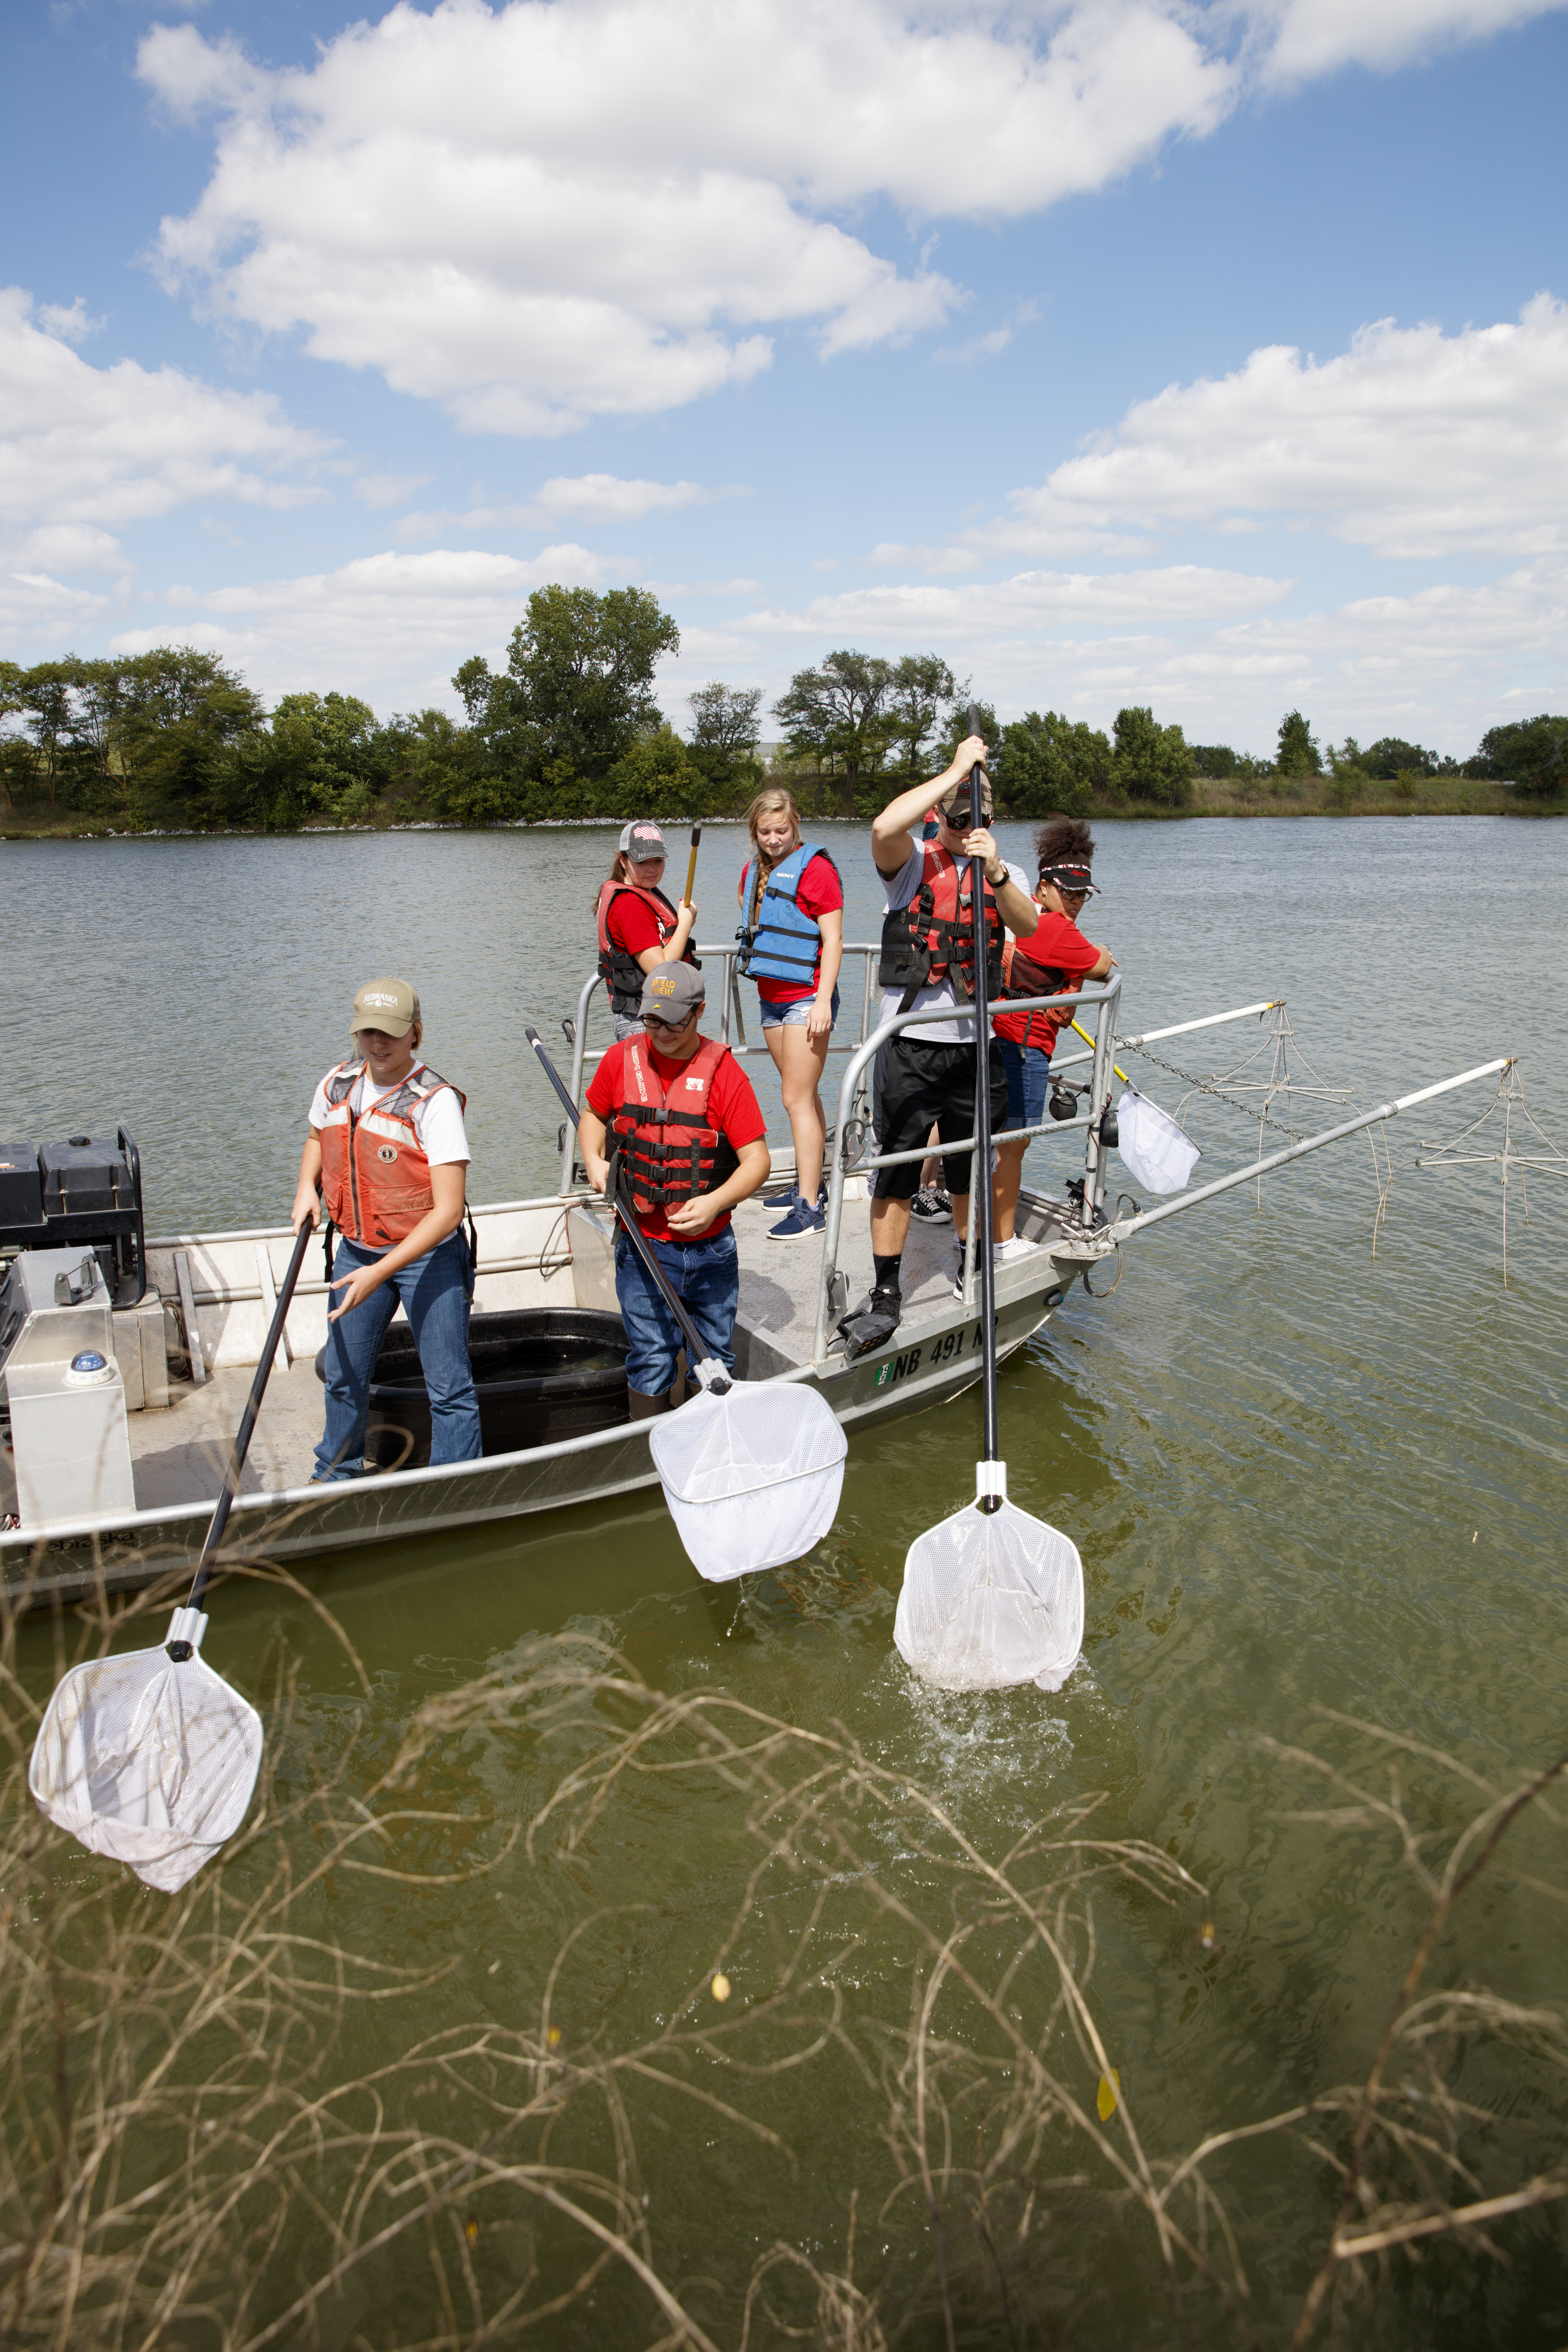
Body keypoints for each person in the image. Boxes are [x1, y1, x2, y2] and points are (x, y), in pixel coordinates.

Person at [850, 735, 1040, 1338]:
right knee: (899, 1171)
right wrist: (956, 771)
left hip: (974, 1049)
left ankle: (970, 1258)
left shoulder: (1004, 871)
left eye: (979, 817)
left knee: (967, 1163)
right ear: (939, 817)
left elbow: (1029, 926)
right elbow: (884, 825)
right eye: (958, 817)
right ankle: (886, 1288)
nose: (967, 826)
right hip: (911, 1044)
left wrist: (996, 869)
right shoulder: (911, 866)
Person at [292, 976, 481, 1482]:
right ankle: (335, 1473)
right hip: (356, 1250)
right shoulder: (336, 1083)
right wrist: (305, 1190)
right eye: (367, 1033)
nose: (377, 1044)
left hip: (429, 1259)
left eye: (391, 1034)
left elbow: (447, 1212)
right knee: (342, 1374)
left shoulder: (434, 1101)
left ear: (415, 1035)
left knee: (448, 1387)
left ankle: (455, 1486)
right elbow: (317, 1137)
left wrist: (380, 1275)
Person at [578, 960, 771, 1420]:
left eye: (673, 1021)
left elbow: (758, 1162)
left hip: (710, 1252)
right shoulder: (620, 1060)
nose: (661, 1032)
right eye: (652, 1019)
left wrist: (715, 1201)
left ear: (700, 1012)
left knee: (714, 1355)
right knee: (650, 1354)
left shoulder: (724, 1074)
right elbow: (591, 1115)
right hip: (641, 1245)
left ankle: (708, 1445)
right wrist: (594, 1160)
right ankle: (649, 1450)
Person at [993, 817, 1116, 1243]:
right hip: (1024, 1047)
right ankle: (1001, 1242)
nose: (1076, 901)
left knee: (993, 1139)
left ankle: (975, 1225)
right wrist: (1099, 951)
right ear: (1044, 887)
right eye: (1068, 892)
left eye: (1083, 894)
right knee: (1015, 1145)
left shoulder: (1016, 913)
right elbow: (1102, 967)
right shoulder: (1057, 928)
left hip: (996, 1039)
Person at [735, 787, 844, 1241]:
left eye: (781, 830)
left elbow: (834, 941)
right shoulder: (751, 872)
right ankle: (810, 1182)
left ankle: (809, 1206)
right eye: (765, 832)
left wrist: (822, 1000)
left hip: (806, 998)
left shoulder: (816, 871)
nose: (774, 839)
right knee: (801, 1094)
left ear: (794, 826)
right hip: (771, 998)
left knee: (795, 1099)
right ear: (755, 832)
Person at [594, 822, 699, 1040]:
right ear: (623, 860)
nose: (652, 869)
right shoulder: (629, 905)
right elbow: (660, 970)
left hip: (655, 1014)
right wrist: (686, 924)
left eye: (658, 861)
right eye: (642, 862)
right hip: (642, 1020)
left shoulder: (640, 892)